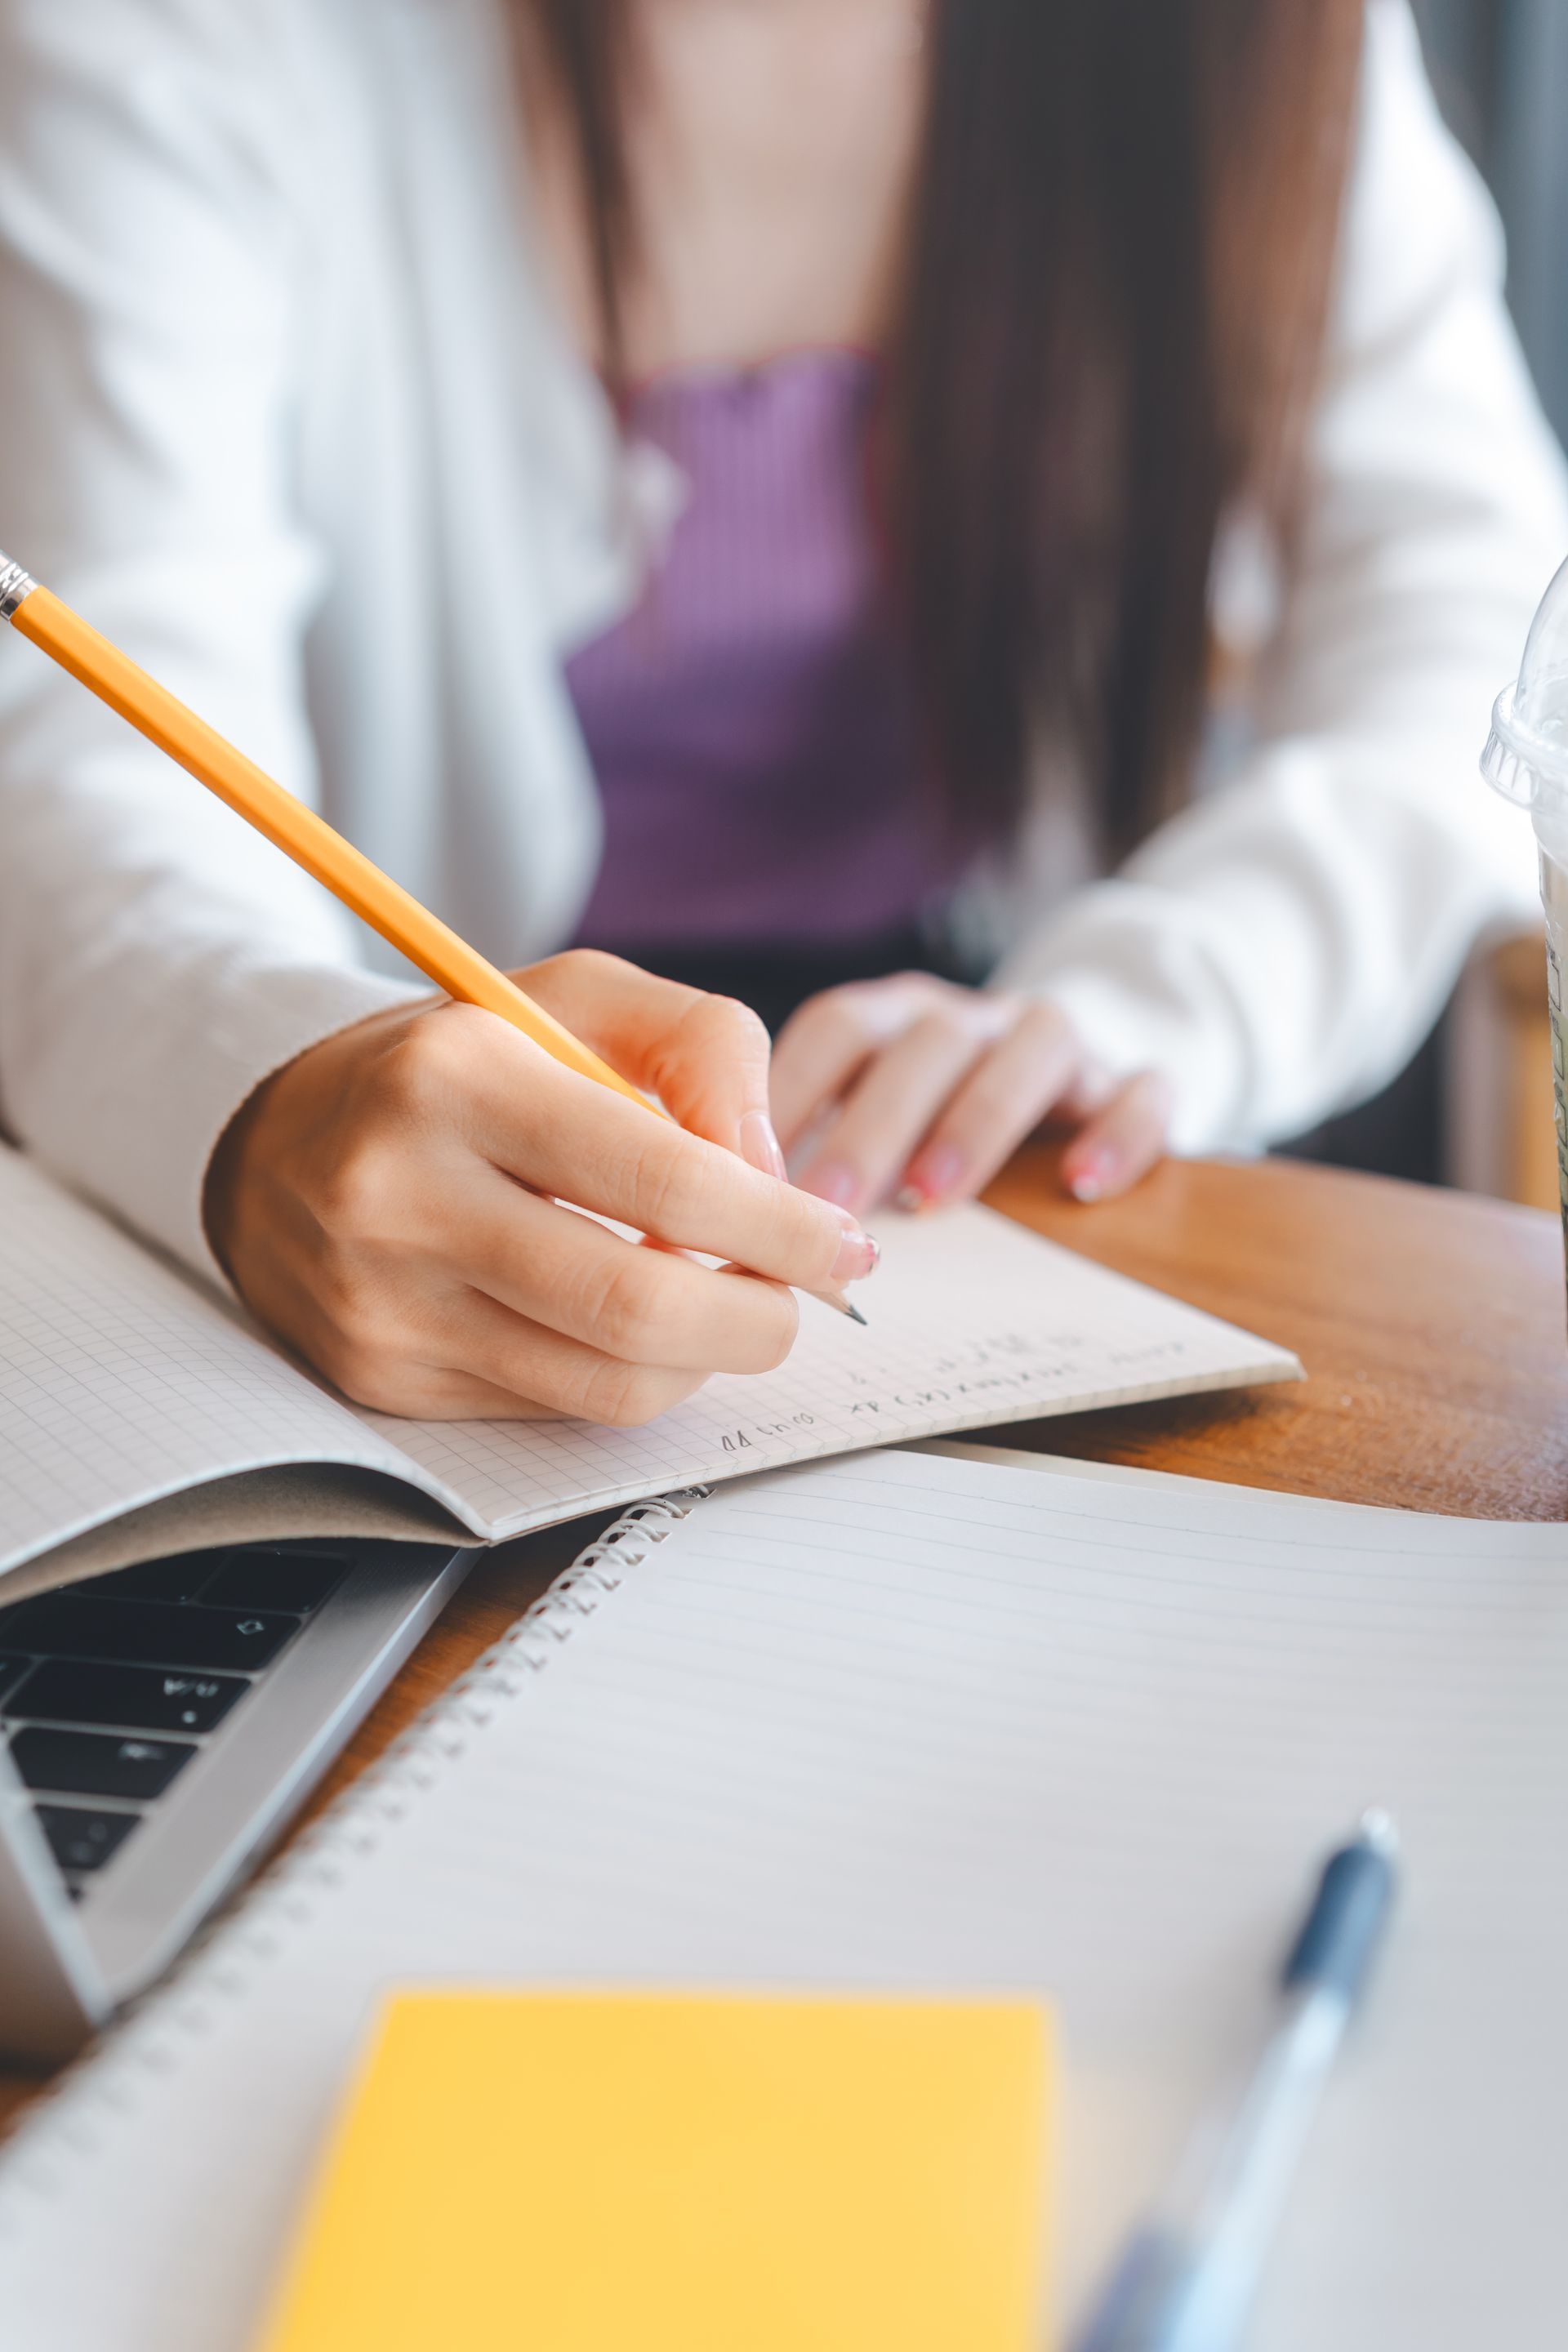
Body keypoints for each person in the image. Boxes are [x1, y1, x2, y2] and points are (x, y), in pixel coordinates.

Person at [0, 0, 1562, 1425]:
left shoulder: (1261, 40)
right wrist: (276, 1083)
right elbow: (102, 762)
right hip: (434, 1117)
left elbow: (1480, 623)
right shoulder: (180, 41)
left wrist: (1153, 1001)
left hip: (991, 1154)